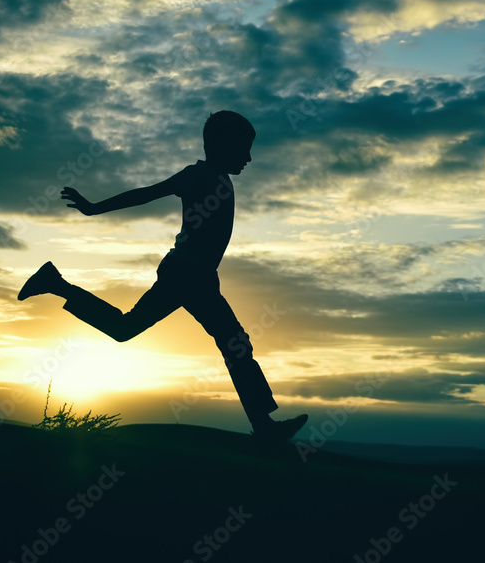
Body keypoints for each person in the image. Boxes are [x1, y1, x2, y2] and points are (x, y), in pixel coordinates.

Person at [18, 110, 307, 442]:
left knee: (132, 329)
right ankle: (265, 426)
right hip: (186, 274)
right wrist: (93, 208)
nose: (249, 158)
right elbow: (146, 193)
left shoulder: (220, 178)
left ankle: (55, 283)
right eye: (244, 148)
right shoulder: (197, 176)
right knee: (233, 343)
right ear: (221, 144)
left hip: (199, 277)